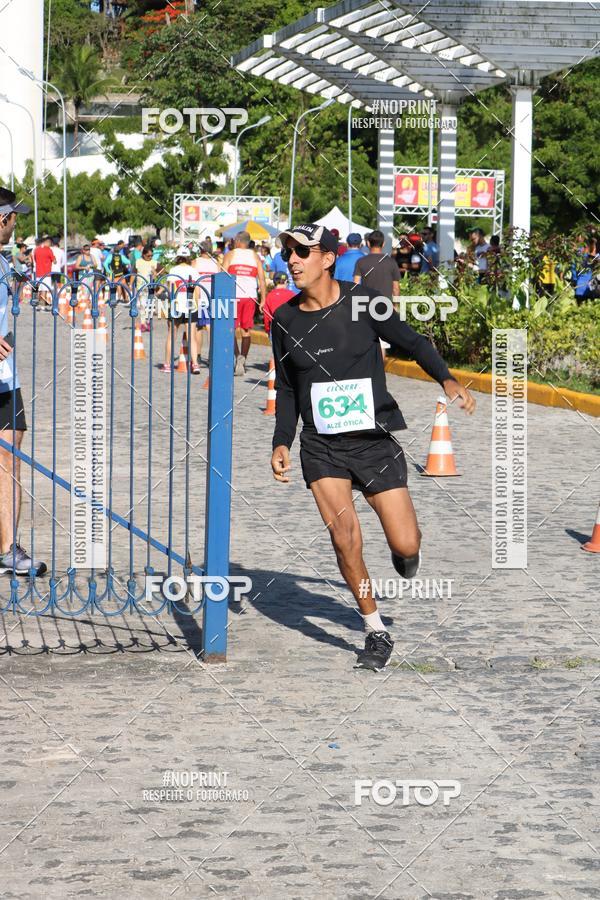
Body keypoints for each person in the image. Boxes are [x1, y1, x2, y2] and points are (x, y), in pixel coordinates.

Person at [270, 223, 475, 671]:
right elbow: (286, 388)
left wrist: (446, 377)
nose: (293, 260)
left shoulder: (363, 300)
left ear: (328, 258)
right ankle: (375, 629)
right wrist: (281, 441)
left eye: (302, 252)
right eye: (288, 253)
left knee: (405, 543)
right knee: (345, 540)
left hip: (373, 441)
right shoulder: (284, 319)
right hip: (322, 447)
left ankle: (407, 556)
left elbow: (411, 340)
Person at [0, 188, 47, 575]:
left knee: (10, 459)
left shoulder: (4, 261)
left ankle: (6, 547)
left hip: (6, 378)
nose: (17, 224)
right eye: (14, 218)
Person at [223, 230, 266, 376]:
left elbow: (222, 275)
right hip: (250, 296)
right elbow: (262, 279)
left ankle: (237, 357)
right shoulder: (255, 256)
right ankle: (243, 359)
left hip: (233, 296)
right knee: (246, 330)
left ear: (237, 241)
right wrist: (263, 300)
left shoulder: (230, 254)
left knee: (232, 329)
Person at [354, 230, 401, 360]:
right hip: (385, 306)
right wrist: (396, 305)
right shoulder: (391, 262)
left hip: (365, 306)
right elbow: (396, 288)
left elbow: (356, 285)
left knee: (366, 339)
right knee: (382, 342)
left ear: (368, 243)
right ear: (383, 243)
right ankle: (380, 372)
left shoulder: (361, 262)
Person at [163, 246, 201, 374]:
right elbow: (198, 292)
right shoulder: (194, 271)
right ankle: (195, 364)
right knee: (192, 337)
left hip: (177, 305)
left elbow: (171, 290)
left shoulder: (173, 270)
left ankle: (167, 364)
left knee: (171, 336)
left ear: (177, 258)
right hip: (191, 306)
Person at [192, 241, 220, 363]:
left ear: (200, 250)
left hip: (200, 298)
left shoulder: (195, 262)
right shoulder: (216, 264)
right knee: (210, 327)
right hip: (213, 297)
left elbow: (191, 281)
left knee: (200, 327)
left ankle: (198, 354)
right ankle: (211, 353)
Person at [263, 271, 295, 336]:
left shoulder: (269, 296)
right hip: (289, 328)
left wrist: (267, 329)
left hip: (275, 328)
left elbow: (266, 315)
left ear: (274, 282)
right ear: (286, 282)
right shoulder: (292, 295)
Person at [33, 235, 54, 306]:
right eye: (50, 243)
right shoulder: (48, 250)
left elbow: (35, 259)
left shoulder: (37, 250)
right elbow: (54, 260)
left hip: (38, 272)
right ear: (47, 242)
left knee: (39, 289)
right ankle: (43, 306)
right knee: (44, 290)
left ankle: (38, 304)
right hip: (46, 273)